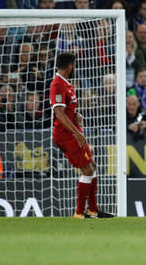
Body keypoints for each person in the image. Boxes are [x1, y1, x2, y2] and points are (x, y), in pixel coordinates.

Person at [49, 52, 113, 219]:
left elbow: (66, 111)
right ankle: (79, 212)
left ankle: (92, 210)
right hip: (66, 135)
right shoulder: (57, 85)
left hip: (74, 131)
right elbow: (59, 113)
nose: (75, 68)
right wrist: (76, 132)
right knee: (86, 169)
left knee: (92, 167)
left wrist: (76, 116)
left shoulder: (66, 84)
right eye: (74, 65)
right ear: (70, 65)